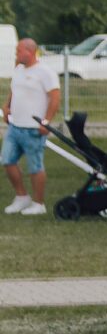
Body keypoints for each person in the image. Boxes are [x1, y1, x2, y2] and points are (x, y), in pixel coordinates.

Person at [4, 37, 59, 216]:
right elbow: (14, 89)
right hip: (14, 127)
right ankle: (22, 197)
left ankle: (38, 203)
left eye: (19, 51)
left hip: (33, 129)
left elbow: (55, 98)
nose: (16, 54)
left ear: (29, 51)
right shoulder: (18, 69)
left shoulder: (45, 72)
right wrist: (7, 106)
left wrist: (46, 121)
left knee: (35, 166)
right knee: (7, 160)